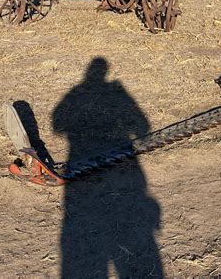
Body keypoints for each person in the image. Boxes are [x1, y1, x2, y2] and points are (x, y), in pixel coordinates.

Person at [53, 57, 162, 278]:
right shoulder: (117, 92)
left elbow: (56, 124)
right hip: (120, 161)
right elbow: (143, 126)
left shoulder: (76, 92)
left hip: (82, 154)